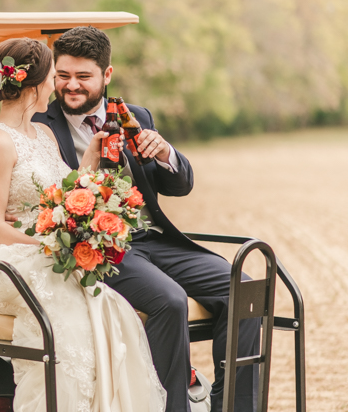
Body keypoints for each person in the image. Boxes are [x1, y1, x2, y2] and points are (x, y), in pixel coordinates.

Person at [33, 26, 260, 412]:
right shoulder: (40, 122)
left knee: (246, 289)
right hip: (102, 247)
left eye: (83, 77)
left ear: (107, 75)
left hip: (156, 239)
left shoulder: (135, 116)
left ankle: (234, 407)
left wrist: (166, 154)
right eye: (63, 75)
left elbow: (180, 185)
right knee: (169, 301)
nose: (70, 86)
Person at [0, 38, 166, 412]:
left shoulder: (42, 134)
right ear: (35, 85)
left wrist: (90, 163)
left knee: (110, 309)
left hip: (46, 249)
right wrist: (54, 247)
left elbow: (63, 192)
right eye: (53, 78)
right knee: (77, 319)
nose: (56, 88)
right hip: (12, 256)